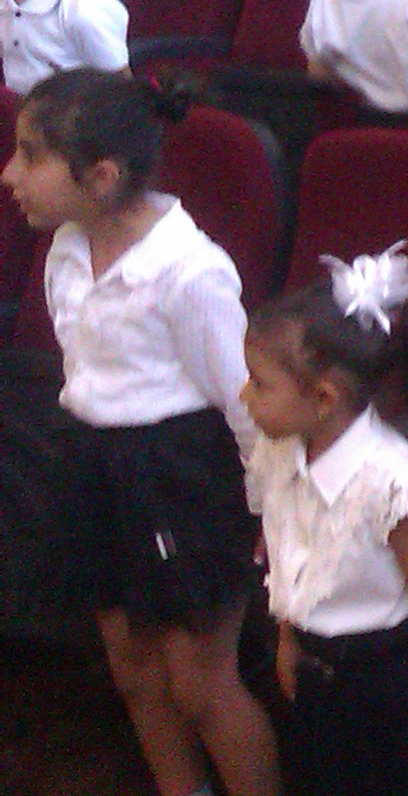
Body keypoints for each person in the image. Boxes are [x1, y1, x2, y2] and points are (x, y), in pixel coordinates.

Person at [17, 71, 279, 796]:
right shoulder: (67, 248)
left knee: (201, 685)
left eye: (31, 156)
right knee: (133, 668)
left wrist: (272, 509)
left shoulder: (189, 273)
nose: (11, 174)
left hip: (180, 477)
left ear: (101, 177)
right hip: (94, 461)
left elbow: (245, 401)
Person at [241, 248, 408, 796]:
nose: (243, 395)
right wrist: (289, 638)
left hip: (389, 676)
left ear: (324, 398)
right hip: (320, 671)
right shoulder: (281, 452)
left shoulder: (395, 486)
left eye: (259, 384)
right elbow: (293, 556)